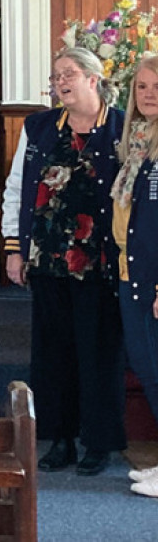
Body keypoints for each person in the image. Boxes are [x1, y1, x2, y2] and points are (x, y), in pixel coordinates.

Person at [2, 46, 126, 476]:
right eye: (56, 77)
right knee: (53, 354)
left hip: (101, 261)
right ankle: (61, 440)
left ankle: (98, 442)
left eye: (68, 74)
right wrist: (14, 247)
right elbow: (17, 186)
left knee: (99, 353)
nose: (60, 83)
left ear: (94, 79)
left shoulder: (122, 127)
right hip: (49, 257)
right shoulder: (38, 127)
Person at [109, 55, 158, 496]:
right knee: (146, 366)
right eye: (141, 87)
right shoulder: (139, 142)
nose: (148, 94)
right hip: (132, 269)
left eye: (156, 86)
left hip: (154, 276)